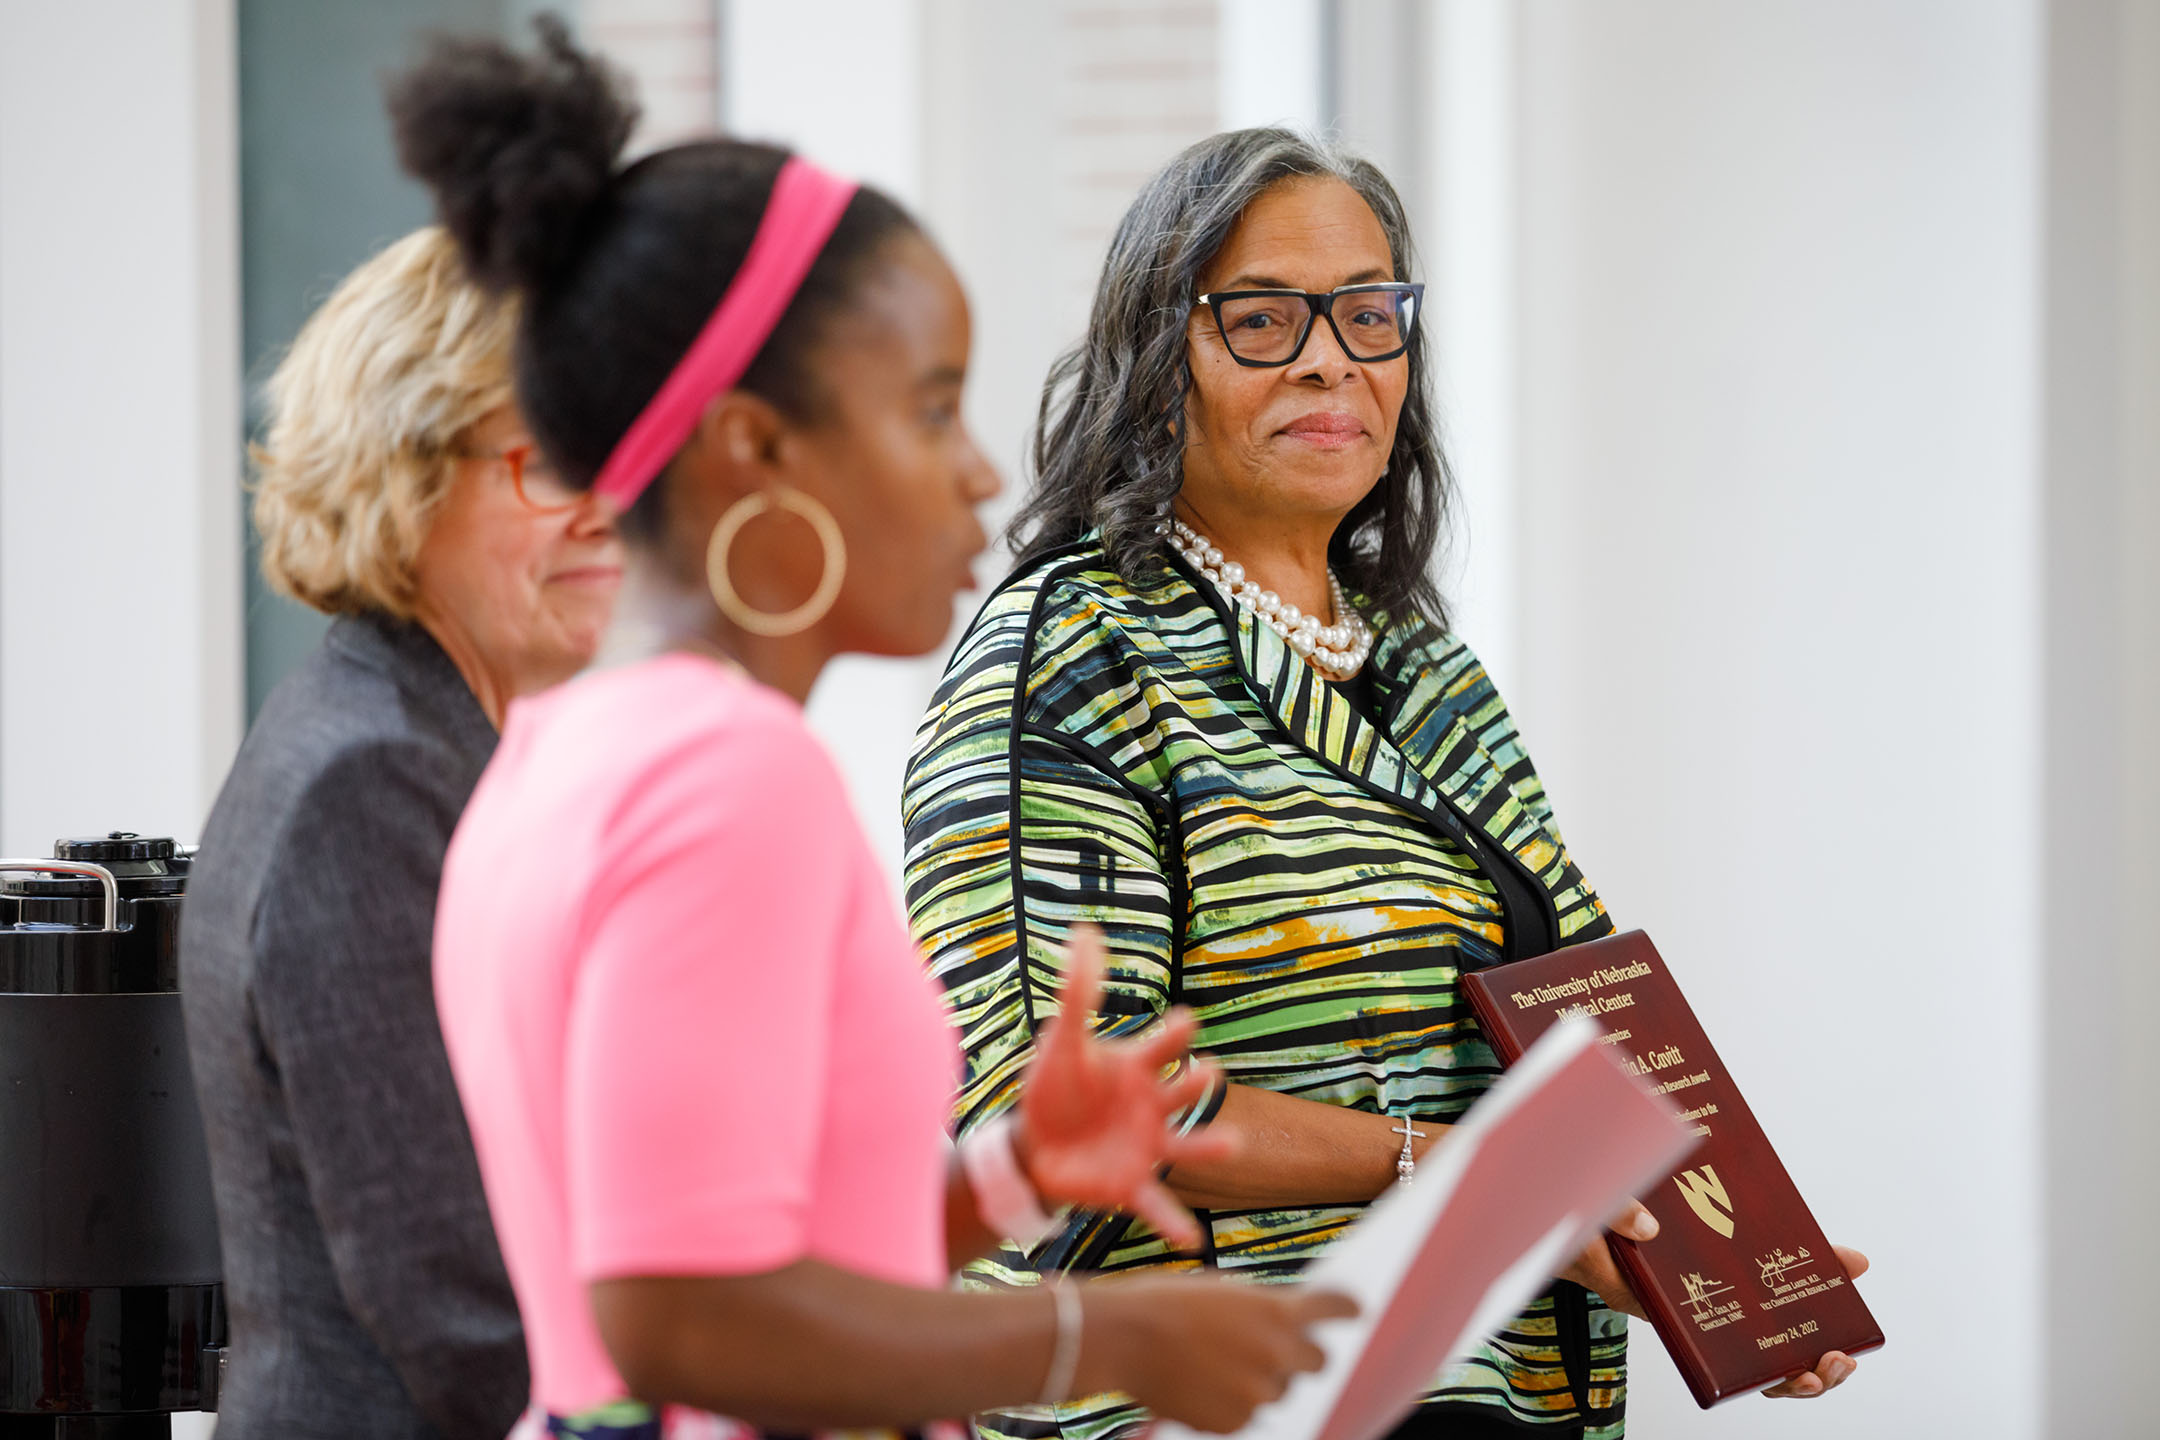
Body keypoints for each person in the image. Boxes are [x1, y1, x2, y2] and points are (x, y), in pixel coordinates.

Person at [392, 23, 1353, 1440]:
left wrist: (1014, 1178)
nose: (980, 471)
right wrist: (1111, 1330)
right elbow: (673, 1312)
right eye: (930, 407)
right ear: (754, 447)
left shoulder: (566, 750)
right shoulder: (727, 775)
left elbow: (738, 1232)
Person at [902, 128, 1869, 1440]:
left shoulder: (1419, 659)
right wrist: (1455, 1169)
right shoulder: (1071, 651)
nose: (1326, 356)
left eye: (1368, 313)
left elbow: (1587, 1012)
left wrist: (1734, 1274)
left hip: (1484, 1385)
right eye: (1260, 318)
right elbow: (1050, 1104)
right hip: (1198, 1397)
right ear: (1153, 357)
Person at [180, 225, 624, 1439]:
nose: (606, 512)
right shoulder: (367, 777)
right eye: (546, 460)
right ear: (406, 475)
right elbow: (452, 1297)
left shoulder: (421, 734)